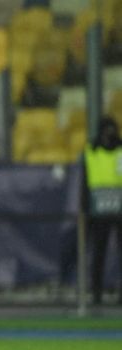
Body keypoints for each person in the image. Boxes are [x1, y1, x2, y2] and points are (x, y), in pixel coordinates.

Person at [83, 116, 122, 305]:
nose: (109, 135)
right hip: (98, 209)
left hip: (119, 209)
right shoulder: (91, 151)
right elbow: (84, 182)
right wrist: (84, 208)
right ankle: (96, 293)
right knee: (99, 252)